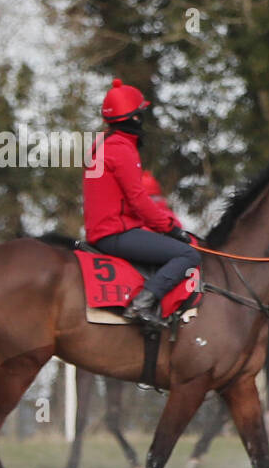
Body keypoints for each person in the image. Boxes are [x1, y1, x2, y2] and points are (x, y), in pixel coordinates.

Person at [83, 78, 198, 329]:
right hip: (116, 232)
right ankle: (143, 303)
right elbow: (138, 201)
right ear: (134, 118)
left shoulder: (103, 146)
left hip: (101, 230)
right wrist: (170, 228)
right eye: (140, 114)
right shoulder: (122, 149)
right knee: (187, 253)